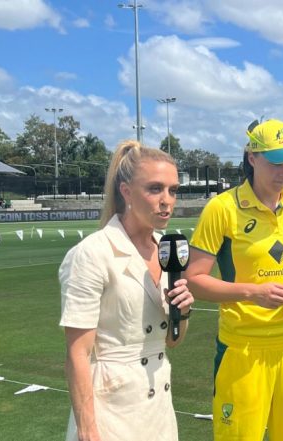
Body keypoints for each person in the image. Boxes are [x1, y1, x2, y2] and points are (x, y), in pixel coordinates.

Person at [185, 119, 283, 440]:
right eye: (276, 162)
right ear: (252, 158)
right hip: (243, 348)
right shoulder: (221, 209)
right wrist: (252, 293)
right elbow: (194, 279)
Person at [59, 140, 194, 441]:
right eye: (155, 188)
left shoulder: (165, 248)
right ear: (126, 192)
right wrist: (87, 428)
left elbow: (171, 342)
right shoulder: (92, 253)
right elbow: (77, 353)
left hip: (159, 405)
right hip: (111, 411)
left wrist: (182, 312)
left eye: (173, 190)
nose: (167, 200)